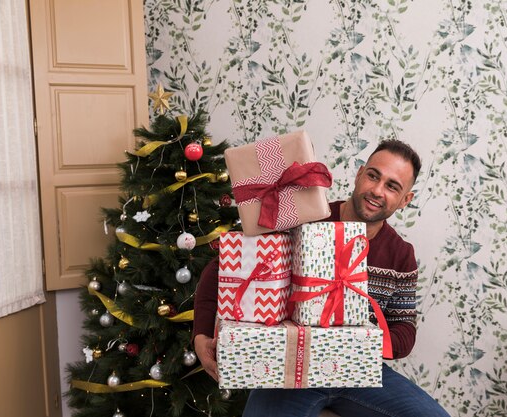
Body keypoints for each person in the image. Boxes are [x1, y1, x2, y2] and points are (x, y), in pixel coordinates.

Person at [193, 139, 450, 417]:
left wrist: (356, 341)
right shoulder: (303, 221)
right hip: (289, 371)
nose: (377, 190)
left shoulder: (401, 254)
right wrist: (201, 336)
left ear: (405, 200)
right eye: (373, 176)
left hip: (358, 371)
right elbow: (221, 269)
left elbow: (404, 330)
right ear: (359, 174)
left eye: (392, 186)